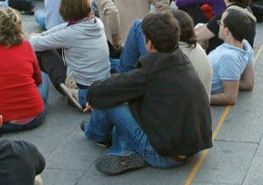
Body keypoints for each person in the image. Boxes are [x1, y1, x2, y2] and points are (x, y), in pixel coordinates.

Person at [83, 11, 212, 175]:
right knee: (121, 95)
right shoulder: (183, 60)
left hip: (164, 154)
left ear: (149, 44)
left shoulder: (149, 72)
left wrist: (95, 98)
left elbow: (100, 92)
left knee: (109, 100)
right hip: (193, 147)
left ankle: (95, 133)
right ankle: (122, 146)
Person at [28, 0, 110, 110]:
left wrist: (31, 37)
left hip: (80, 85)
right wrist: (45, 34)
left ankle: (33, 80)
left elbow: (35, 44)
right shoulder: (97, 22)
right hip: (102, 80)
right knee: (51, 42)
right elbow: (64, 28)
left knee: (43, 51)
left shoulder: (71, 34)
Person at [208, 8, 255, 106]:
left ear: (226, 31)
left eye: (220, 23)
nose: (218, 26)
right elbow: (248, 83)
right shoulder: (245, 45)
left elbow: (230, 98)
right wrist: (230, 81)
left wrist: (200, 100)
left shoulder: (228, 57)